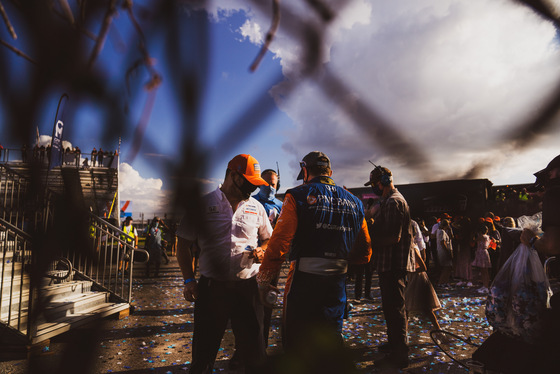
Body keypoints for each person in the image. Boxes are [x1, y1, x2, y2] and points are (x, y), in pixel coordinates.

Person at [257, 151, 371, 354]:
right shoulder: (355, 202)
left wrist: (263, 281)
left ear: (305, 170)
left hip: (303, 281)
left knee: (297, 342)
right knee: (331, 339)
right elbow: (365, 253)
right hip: (337, 283)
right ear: (330, 172)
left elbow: (280, 244)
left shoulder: (297, 195)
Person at [176, 154, 272, 374]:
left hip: (248, 288)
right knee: (203, 354)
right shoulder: (202, 204)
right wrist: (189, 280)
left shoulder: (256, 207)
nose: (253, 188)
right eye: (249, 182)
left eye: (256, 184)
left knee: (255, 352)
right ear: (233, 175)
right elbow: (183, 245)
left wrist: (263, 250)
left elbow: (268, 239)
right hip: (212, 289)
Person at [365, 165, 415, 369]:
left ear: (383, 182)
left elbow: (393, 236)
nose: (374, 188)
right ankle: (394, 343)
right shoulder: (387, 201)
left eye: (375, 184)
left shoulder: (394, 202)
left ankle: (400, 353)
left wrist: (369, 239)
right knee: (391, 307)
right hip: (389, 263)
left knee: (395, 308)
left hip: (394, 264)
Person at [471, 225, 491, 293]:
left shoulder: (482, 236)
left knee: (484, 271)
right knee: (483, 271)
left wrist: (474, 234)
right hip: (482, 252)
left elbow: (474, 240)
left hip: (482, 252)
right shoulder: (487, 236)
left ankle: (486, 286)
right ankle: (485, 285)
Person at [436, 219, 453, 287]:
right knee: (446, 267)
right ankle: (441, 282)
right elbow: (442, 242)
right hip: (444, 252)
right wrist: (448, 252)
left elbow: (451, 237)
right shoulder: (442, 232)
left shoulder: (440, 231)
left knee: (449, 267)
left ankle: (445, 281)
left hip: (442, 251)